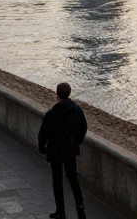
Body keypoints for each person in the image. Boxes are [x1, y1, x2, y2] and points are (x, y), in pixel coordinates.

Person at [38, 82, 88, 219]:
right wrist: (76, 142)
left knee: (57, 181)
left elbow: (43, 133)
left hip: (55, 151)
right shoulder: (77, 110)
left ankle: (61, 211)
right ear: (69, 93)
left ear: (57, 95)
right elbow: (83, 128)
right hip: (70, 150)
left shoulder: (52, 113)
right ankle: (80, 207)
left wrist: (42, 147)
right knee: (73, 179)